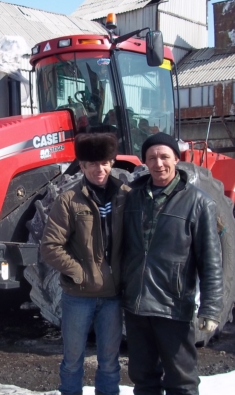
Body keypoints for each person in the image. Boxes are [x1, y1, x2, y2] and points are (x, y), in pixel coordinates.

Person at [121, 132, 223, 395]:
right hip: (136, 306)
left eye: (165, 156)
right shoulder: (131, 199)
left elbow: (211, 260)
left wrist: (211, 309)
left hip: (173, 306)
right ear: (144, 162)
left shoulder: (199, 203)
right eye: (152, 158)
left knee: (182, 381)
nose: (159, 163)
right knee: (143, 380)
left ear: (176, 159)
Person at [41, 133, 130, 395]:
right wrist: (79, 273)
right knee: (72, 362)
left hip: (113, 297)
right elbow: (50, 247)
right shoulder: (68, 200)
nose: (99, 169)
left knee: (110, 363)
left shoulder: (126, 196)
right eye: (92, 164)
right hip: (78, 297)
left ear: (111, 162)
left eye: (103, 162)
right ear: (82, 166)